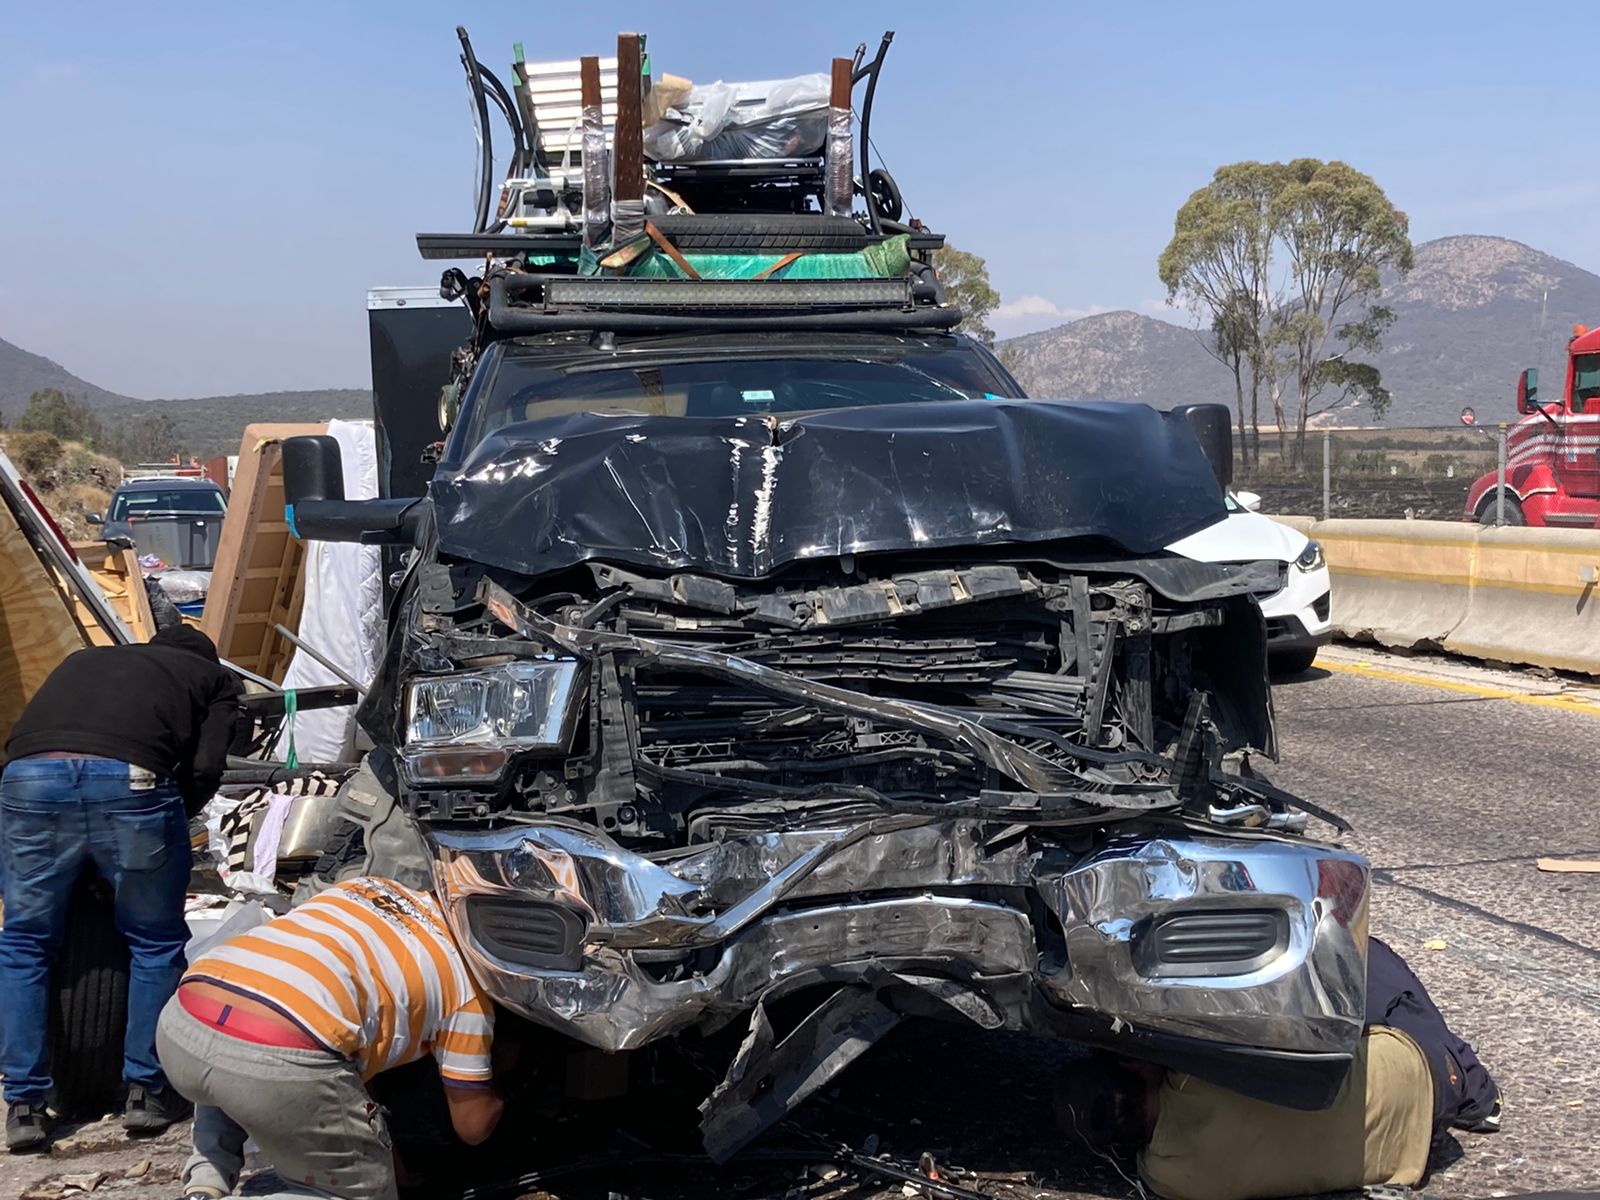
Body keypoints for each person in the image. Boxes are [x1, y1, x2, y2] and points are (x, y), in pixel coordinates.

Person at [0, 625, 241, 1150]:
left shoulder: (83, 659)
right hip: (131, 780)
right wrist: (175, 820)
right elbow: (206, 765)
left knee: (23, 943)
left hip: (28, 776)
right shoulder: (212, 678)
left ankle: (23, 1103)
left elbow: (30, 733)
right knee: (152, 941)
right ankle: (146, 1092)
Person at [1054, 936, 1501, 1200]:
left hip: (1416, 1142)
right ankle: (1480, 1097)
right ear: (1132, 1067)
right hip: (1422, 1068)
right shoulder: (1197, 1068)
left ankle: (1471, 1095)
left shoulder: (1167, 1177)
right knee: (1357, 955)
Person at [157, 875, 508, 1200]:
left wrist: (388, 1166)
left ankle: (206, 1178)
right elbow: (473, 1126)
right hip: (280, 1055)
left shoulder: (370, 887)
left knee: (231, 1056)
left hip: (185, 1018)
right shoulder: (467, 994)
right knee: (357, 1194)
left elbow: (347, 1077)